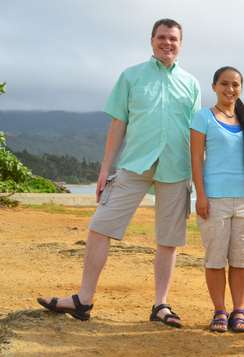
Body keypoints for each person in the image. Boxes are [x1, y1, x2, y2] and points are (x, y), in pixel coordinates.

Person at [37, 19, 200, 328]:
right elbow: (118, 124)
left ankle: (160, 305)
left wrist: (200, 179)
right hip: (134, 164)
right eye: (162, 37)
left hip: (177, 169)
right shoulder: (131, 76)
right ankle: (83, 300)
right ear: (152, 41)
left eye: (174, 38)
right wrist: (104, 170)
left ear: (181, 43)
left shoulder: (191, 84)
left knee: (169, 239)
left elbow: (196, 134)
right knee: (100, 226)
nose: (168, 43)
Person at [191, 66, 244, 333]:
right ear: (213, 86)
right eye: (224, 84)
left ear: (241, 88)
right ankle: (219, 311)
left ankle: (239, 311)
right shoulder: (202, 117)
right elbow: (196, 159)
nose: (230, 89)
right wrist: (200, 195)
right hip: (214, 200)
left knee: (240, 259)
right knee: (215, 259)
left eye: (235, 84)